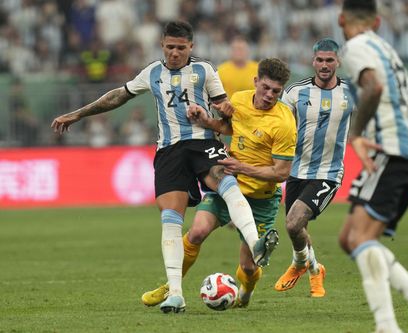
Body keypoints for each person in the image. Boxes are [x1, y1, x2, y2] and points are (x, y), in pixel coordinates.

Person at [51, 20, 278, 314]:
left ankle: (256, 243)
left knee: (226, 180)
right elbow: (117, 96)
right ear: (162, 45)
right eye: (170, 47)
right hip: (169, 151)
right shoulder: (152, 73)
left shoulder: (205, 71)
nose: (174, 53)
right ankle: (175, 294)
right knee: (170, 218)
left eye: (181, 48)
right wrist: (78, 114)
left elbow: (225, 113)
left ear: (191, 47)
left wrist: (222, 111)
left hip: (202, 142)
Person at [141, 57, 296, 308]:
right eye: (265, 88)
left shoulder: (284, 122)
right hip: (227, 185)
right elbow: (227, 128)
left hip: (261, 198)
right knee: (197, 232)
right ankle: (172, 286)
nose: (269, 95)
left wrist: (242, 167)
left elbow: (281, 173)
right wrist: (204, 120)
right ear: (256, 81)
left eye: (276, 92)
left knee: (247, 265)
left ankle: (246, 291)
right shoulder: (240, 100)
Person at [337, 1, 408, 333]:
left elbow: (373, 87)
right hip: (407, 152)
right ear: (379, 22)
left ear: (342, 19)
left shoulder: (355, 47)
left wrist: (357, 134)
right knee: (349, 239)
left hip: (390, 152)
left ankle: (387, 326)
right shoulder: (389, 52)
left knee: (360, 237)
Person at [273, 38, 355, 298]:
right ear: (313, 61)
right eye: (319, 60)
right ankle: (315, 270)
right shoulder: (295, 92)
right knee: (296, 227)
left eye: (329, 60)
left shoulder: (352, 93)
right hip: (296, 171)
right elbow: (278, 125)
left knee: (294, 222)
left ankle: (298, 264)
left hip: (328, 173)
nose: (324, 65)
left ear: (338, 62)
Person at [217, 35, 259, 100]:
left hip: (252, 108)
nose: (239, 52)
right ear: (230, 51)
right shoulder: (221, 71)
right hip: (229, 108)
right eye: (236, 49)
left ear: (248, 51)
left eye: (241, 49)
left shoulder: (258, 69)